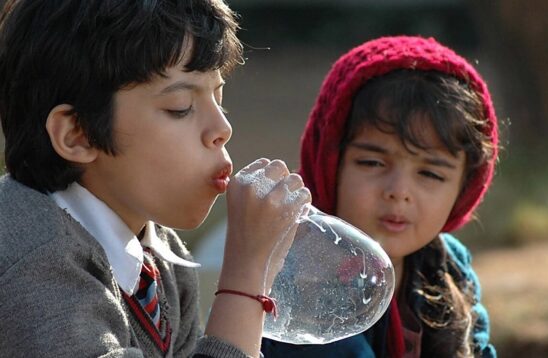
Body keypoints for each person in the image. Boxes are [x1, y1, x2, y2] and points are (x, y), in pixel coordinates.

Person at [0, 1, 310, 357]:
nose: (222, 129)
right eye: (180, 107)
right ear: (78, 135)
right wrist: (246, 278)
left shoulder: (163, 259)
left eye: (219, 99)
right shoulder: (32, 262)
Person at [262, 36, 498, 357]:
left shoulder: (448, 266)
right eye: (372, 162)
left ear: (464, 187)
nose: (398, 192)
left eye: (430, 174)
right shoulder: (296, 275)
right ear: (329, 164)